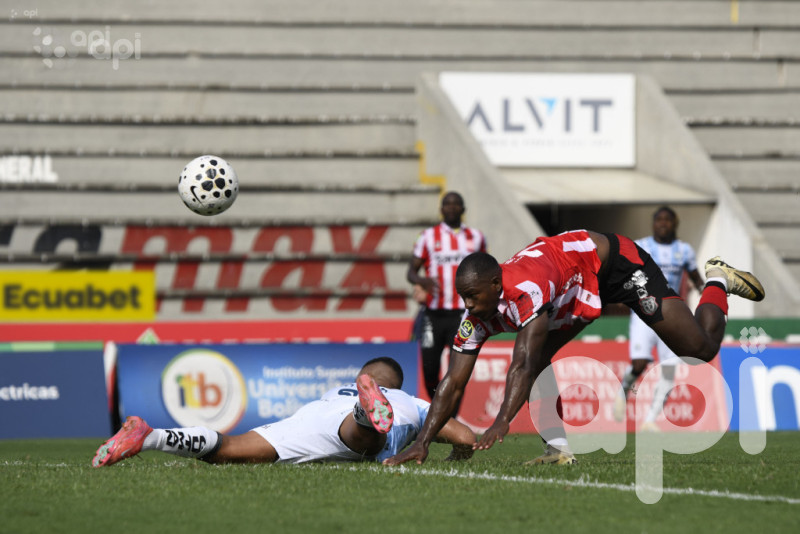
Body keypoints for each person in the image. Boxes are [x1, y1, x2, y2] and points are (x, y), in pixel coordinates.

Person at [384, 229, 764, 467]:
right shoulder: (479, 312)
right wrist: (422, 443)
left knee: (698, 351)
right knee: (539, 362)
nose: (466, 305)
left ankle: (717, 277)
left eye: (471, 296)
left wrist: (502, 420)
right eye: (462, 297)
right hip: (573, 284)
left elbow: (522, 363)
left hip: (616, 265)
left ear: (496, 286)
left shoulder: (526, 291)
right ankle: (559, 448)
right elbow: (453, 380)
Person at [92, 357, 475, 467]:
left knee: (228, 449)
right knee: (365, 440)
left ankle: (151, 434)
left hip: (310, 417)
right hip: (352, 420)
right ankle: (365, 415)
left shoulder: (333, 389)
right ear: (394, 385)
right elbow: (466, 437)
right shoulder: (416, 402)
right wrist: (456, 453)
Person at [613, 207, 705, 429]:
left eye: (668, 220)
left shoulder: (684, 250)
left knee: (669, 368)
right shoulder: (641, 246)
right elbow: (623, 272)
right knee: (639, 363)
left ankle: (650, 421)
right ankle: (624, 389)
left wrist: (708, 295)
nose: (663, 224)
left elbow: (696, 277)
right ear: (653, 224)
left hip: (672, 316)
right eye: (659, 220)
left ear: (675, 224)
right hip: (643, 313)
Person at [407, 191, 487, 408]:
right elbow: (411, 272)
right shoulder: (427, 237)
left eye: (456, 204)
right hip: (433, 314)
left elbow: (485, 270)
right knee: (430, 370)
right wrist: (422, 281)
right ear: (441, 209)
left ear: (463, 209)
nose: (451, 208)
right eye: (447, 204)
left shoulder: (476, 238)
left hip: (464, 316)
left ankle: (451, 419)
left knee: (458, 370)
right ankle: (439, 409)